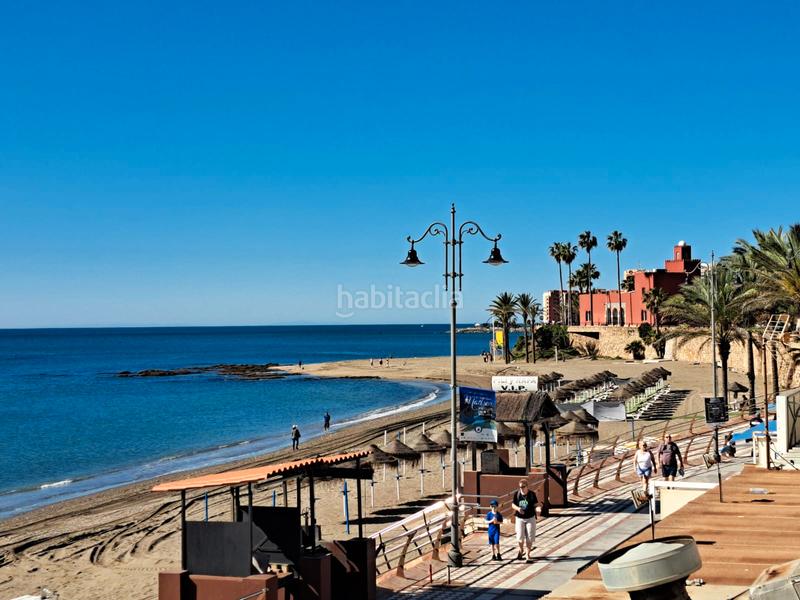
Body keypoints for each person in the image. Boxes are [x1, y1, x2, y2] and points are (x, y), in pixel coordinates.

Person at [511, 479, 541, 561]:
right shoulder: (517, 494)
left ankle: (527, 554)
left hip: (530, 518)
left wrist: (538, 509)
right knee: (520, 537)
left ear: (527, 486)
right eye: (520, 487)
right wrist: (518, 509)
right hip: (520, 518)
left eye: (523, 487)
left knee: (530, 538)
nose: (521, 488)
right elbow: (513, 505)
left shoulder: (532, 494)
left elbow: (536, 504)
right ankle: (521, 550)